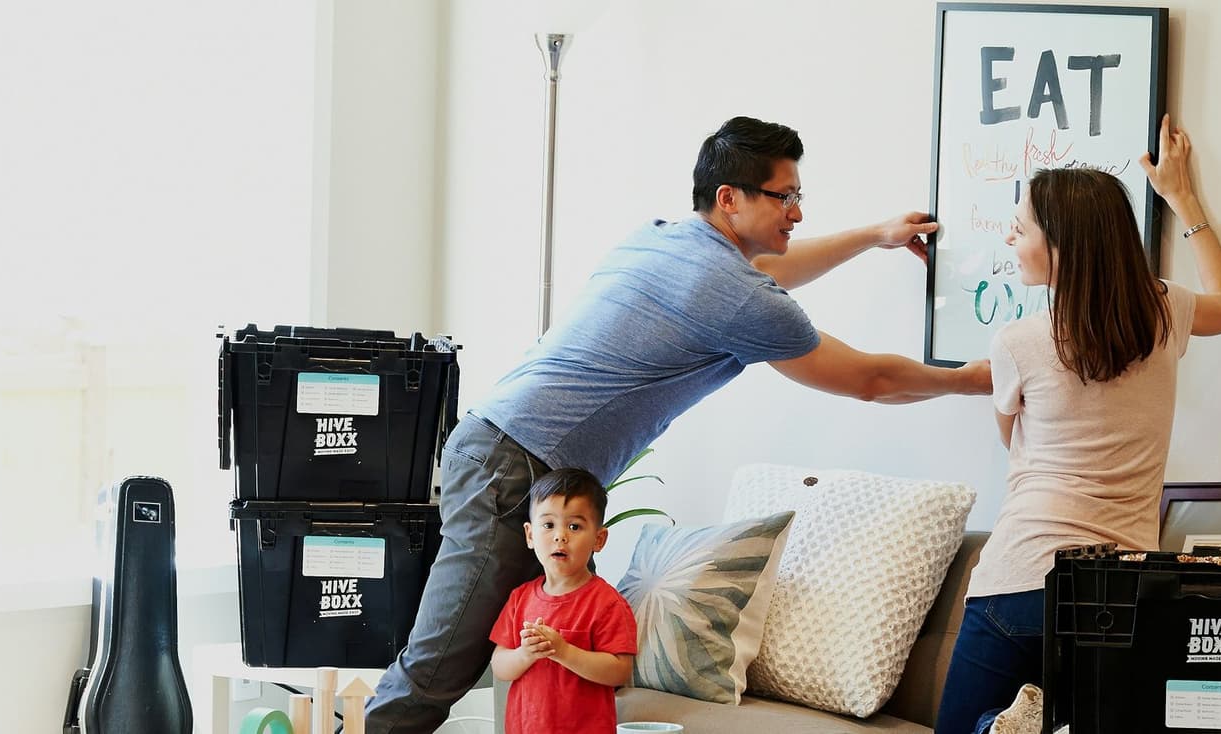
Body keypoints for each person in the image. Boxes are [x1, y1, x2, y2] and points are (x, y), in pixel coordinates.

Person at [365, 115, 991, 733]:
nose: (797, 213)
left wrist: (873, 236)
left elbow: (768, 271)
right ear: (730, 199)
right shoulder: (737, 296)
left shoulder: (663, 238)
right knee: (438, 668)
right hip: (515, 466)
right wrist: (968, 379)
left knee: (500, 663)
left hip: (498, 450)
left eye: (799, 196)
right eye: (785, 196)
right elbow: (869, 381)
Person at [933, 115, 1221, 734]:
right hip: (1122, 589)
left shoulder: (1021, 341)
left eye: (1020, 228)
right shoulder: (1165, 311)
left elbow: (1012, 442)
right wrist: (1183, 198)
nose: (1010, 239)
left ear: (1061, 244)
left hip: (1021, 579)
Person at [487, 469, 637, 734]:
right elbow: (500, 665)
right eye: (548, 525)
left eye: (574, 526)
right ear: (530, 535)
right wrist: (525, 654)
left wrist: (563, 651)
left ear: (598, 539)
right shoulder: (520, 598)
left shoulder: (607, 603)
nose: (560, 536)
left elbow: (619, 671)